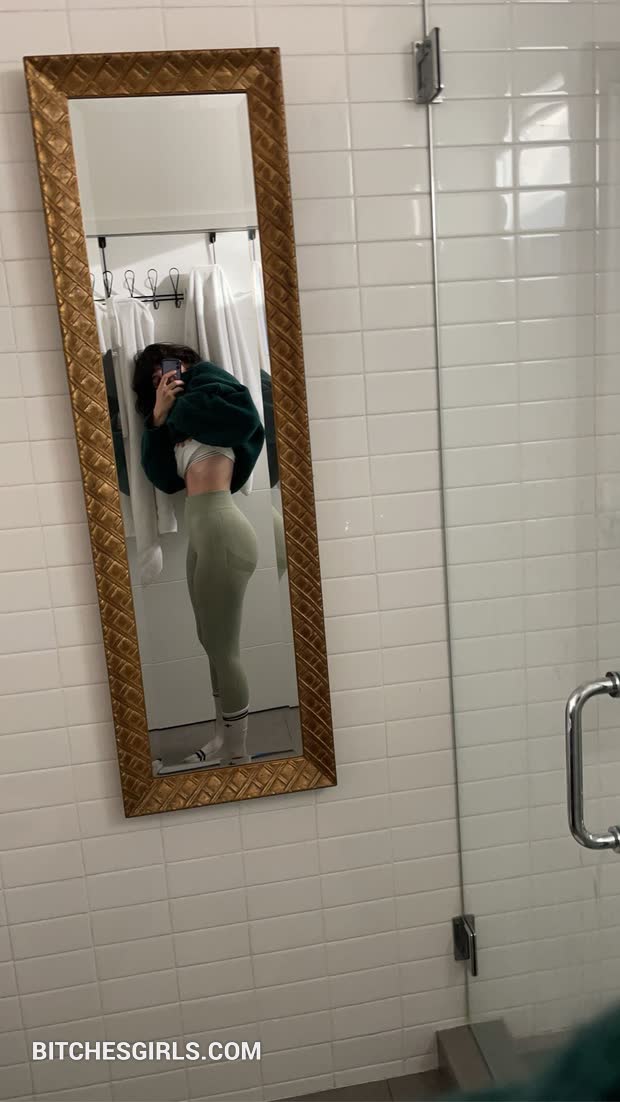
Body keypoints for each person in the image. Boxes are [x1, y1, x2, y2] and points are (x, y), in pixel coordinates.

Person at [132, 342, 264, 772]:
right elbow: (164, 479)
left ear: (186, 364)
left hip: (224, 532)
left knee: (225, 649)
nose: (164, 381)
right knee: (210, 642)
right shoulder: (173, 417)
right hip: (203, 536)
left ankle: (239, 753)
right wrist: (158, 417)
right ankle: (222, 738)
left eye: (168, 371)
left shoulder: (212, 390)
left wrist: (178, 402)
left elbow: (246, 420)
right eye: (155, 380)